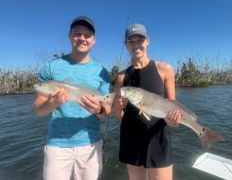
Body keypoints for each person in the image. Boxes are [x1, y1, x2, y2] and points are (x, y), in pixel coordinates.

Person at [33, 16, 111, 180]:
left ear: (94, 40)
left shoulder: (102, 72)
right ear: (69, 36)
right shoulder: (51, 67)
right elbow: (38, 110)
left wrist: (99, 109)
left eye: (87, 35)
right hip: (57, 146)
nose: (82, 38)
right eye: (77, 34)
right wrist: (51, 103)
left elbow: (106, 112)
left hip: (90, 144)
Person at [112, 23, 182, 180]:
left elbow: (173, 107)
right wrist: (117, 107)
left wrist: (173, 121)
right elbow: (118, 115)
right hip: (131, 138)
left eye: (140, 40)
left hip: (158, 138)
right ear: (126, 44)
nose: (136, 45)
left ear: (147, 41)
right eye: (131, 41)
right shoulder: (121, 76)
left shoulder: (165, 69)